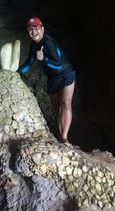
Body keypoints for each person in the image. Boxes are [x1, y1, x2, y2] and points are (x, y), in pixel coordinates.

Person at [19, 17, 76, 146]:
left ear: (42, 28)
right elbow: (29, 62)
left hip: (66, 73)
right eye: (30, 30)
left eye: (36, 28)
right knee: (56, 108)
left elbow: (59, 65)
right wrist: (16, 73)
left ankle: (65, 137)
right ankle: (61, 138)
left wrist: (44, 59)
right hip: (52, 77)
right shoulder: (34, 46)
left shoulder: (48, 42)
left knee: (65, 103)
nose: (34, 32)